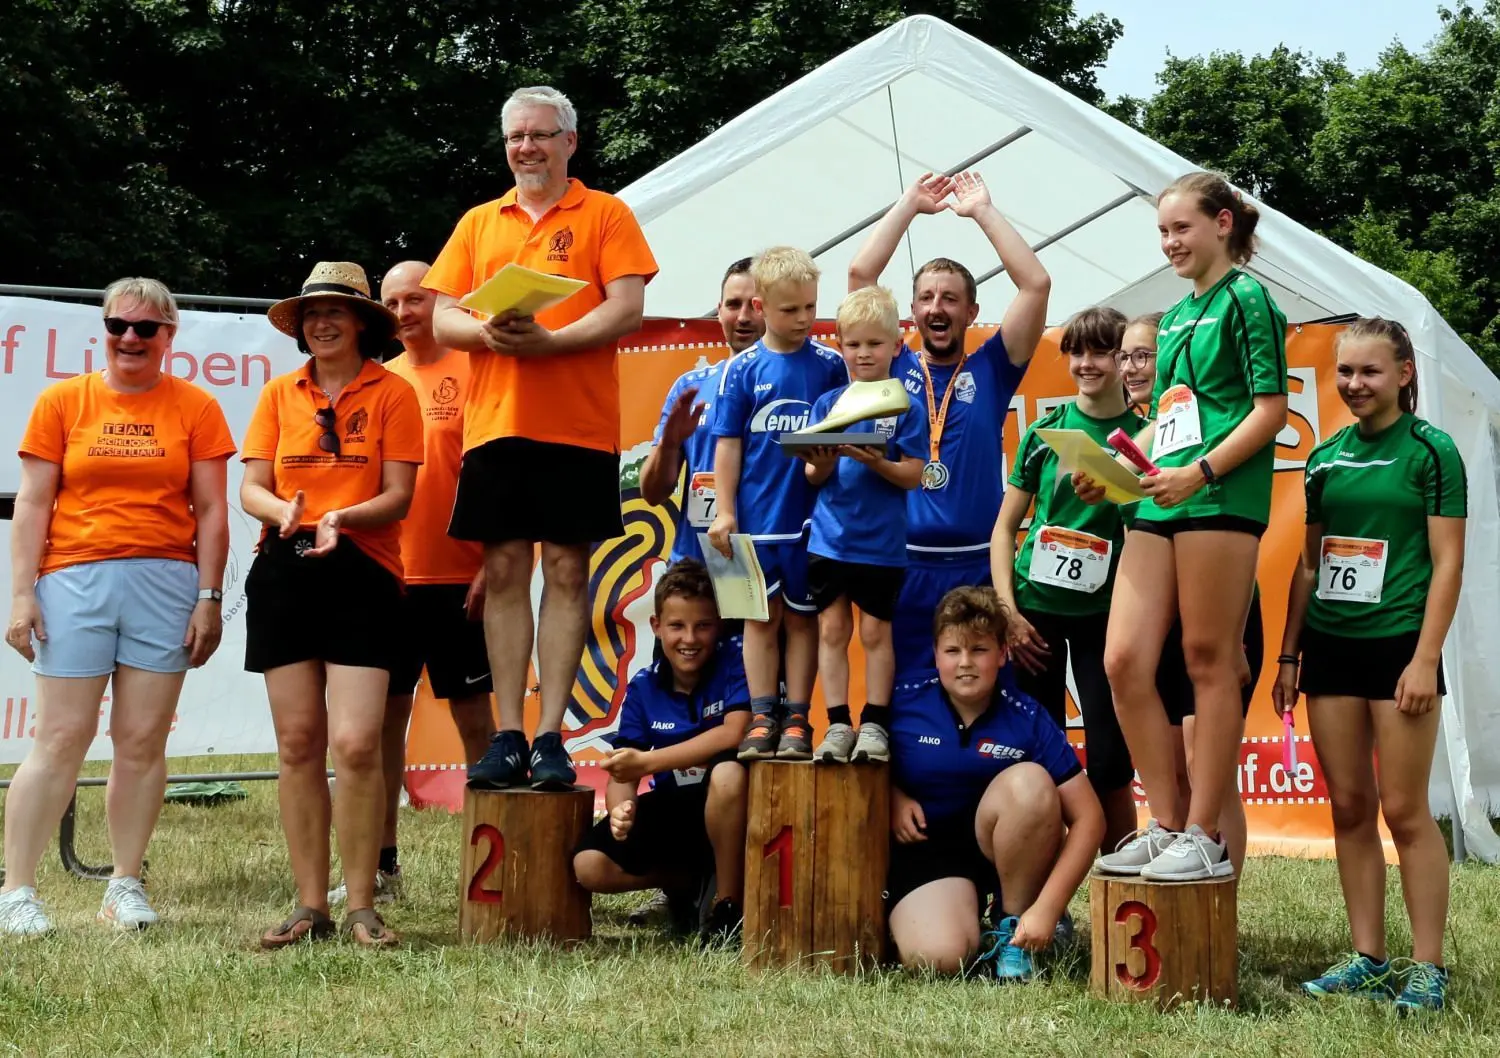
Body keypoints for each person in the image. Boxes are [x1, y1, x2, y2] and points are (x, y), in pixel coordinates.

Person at [426, 85, 659, 789]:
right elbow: (442, 318)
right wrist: (489, 333)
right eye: (515, 137)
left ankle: (551, 734)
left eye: (539, 135)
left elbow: (626, 308)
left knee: (565, 571)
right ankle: (508, 733)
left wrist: (550, 343)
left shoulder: (606, 212)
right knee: (503, 571)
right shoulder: (478, 221)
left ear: (569, 142)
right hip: (495, 424)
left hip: (578, 427)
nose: (526, 148)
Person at [0, 278, 235, 936]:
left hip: (167, 583)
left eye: (146, 328)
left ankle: (123, 884)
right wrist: (22, 593)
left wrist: (209, 597)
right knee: (60, 738)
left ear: (169, 335)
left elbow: (212, 510)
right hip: (73, 578)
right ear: (103, 330)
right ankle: (17, 891)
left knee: (141, 740)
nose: (130, 337)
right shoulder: (62, 400)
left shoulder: (196, 405)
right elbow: (33, 504)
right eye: (118, 325)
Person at [1085, 172, 1288, 882]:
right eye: (1162, 232)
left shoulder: (1248, 298)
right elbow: (1171, 418)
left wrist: (1199, 473)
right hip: (1160, 498)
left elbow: (1270, 411)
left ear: (1223, 224)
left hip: (1219, 495)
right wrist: (1117, 471)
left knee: (1209, 659)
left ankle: (1204, 834)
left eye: (1181, 228)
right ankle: (1167, 823)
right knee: (1122, 660)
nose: (1170, 243)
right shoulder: (1171, 318)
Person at [1274, 318, 1465, 1013]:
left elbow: (1449, 562)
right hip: (1331, 649)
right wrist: (1289, 655)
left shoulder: (1432, 451)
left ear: (1404, 374)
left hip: (1399, 648)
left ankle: (1428, 966)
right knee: (1349, 806)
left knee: (1405, 810)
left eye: (1370, 371)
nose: (1354, 384)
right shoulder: (1325, 458)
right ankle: (1368, 957)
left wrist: (1424, 658)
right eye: (1346, 372)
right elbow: (1307, 566)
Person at [241, 262, 424, 948]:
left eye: (335, 313)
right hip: (284, 569)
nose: (321, 323)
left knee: (355, 743)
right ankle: (310, 906)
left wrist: (340, 517)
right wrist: (282, 514)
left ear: (361, 324)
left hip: (363, 572)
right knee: (297, 744)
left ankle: (362, 906)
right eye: (312, 313)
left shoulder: (394, 392)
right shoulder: (278, 393)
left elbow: (399, 496)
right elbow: (251, 488)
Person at [324, 261, 497, 908]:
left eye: (416, 299)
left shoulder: (478, 369)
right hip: (388, 577)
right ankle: (381, 865)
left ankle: (490, 864)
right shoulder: (380, 380)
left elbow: (496, 477)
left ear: (441, 301)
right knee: (379, 729)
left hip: (461, 577)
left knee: (477, 724)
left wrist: (492, 566)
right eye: (392, 301)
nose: (404, 311)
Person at [847, 171, 1051, 680]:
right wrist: (908, 205)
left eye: (950, 298)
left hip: (978, 570)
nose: (936, 307)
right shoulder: (889, 365)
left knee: (979, 697)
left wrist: (982, 210)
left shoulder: (994, 367)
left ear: (971, 311)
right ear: (912, 311)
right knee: (902, 701)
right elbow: (860, 275)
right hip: (902, 567)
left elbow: (1036, 284)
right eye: (926, 298)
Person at [886, 587, 1104, 980]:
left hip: (998, 853)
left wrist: (1048, 908)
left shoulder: (1027, 717)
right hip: (928, 853)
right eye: (952, 651)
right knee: (942, 960)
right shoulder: (901, 701)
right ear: (935, 654)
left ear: (1003, 653)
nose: (965, 663)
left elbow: (1090, 819)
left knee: (1031, 784)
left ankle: (1012, 928)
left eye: (979, 650)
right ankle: (944, 918)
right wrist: (892, 797)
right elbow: (855, 765)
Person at [990, 307, 1147, 852]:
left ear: (1123, 360)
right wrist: (1008, 612)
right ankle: (1042, 884)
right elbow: (1004, 529)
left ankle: (1121, 875)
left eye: (1101, 352)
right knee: (1039, 758)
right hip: (1034, 616)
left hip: (1108, 615)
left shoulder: (1147, 436)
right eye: (1077, 352)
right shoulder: (1044, 433)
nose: (1086, 363)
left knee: (1110, 760)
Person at [1118, 310, 1257, 873]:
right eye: (1125, 356)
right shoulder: (1144, 435)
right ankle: (1168, 827)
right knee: (1174, 764)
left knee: (1209, 772)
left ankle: (1222, 901)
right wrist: (1105, 475)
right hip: (1160, 613)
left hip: (1211, 594)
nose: (1132, 367)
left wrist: (1236, 636)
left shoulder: (1205, 424)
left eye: (1144, 355)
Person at [706, 247, 847, 761]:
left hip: (812, 523)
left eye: (811, 306)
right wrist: (725, 511)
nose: (804, 318)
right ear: (761, 306)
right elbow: (728, 445)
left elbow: (843, 435)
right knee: (759, 620)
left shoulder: (831, 364)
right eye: (791, 310)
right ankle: (762, 714)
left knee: (803, 620)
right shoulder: (741, 370)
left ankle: (798, 718)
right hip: (757, 524)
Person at [573, 560, 751, 944]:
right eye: (677, 626)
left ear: (720, 625)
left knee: (727, 773)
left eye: (703, 625)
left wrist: (649, 762)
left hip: (733, 810)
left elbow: (734, 732)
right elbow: (623, 768)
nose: (690, 638)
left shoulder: (737, 659)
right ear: (656, 626)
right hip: (675, 807)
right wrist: (620, 809)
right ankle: (685, 883)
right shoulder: (643, 685)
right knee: (589, 865)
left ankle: (727, 906)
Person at [802, 286, 926, 763]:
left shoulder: (906, 407)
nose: (863, 353)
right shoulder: (828, 403)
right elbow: (812, 475)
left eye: (875, 343)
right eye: (853, 344)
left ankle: (874, 724)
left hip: (881, 546)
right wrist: (822, 459)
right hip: (829, 541)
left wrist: (875, 460)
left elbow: (913, 475)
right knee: (832, 632)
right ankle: (837, 724)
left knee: (875, 635)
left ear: (897, 345)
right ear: (840, 346)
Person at [641, 258, 766, 565]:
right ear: (719, 311)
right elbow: (652, 494)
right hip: (697, 566)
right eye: (733, 305)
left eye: (755, 306)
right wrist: (669, 445)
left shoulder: (798, 385)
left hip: (771, 560)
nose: (743, 317)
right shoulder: (691, 387)